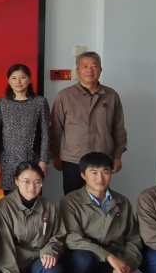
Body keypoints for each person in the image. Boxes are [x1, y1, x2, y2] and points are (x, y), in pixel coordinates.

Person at [59, 151, 144, 273]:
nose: (100, 178)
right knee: (83, 259)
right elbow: (72, 238)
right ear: (83, 175)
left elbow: (134, 238)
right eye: (94, 172)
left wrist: (128, 263)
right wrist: (108, 256)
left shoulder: (122, 202)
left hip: (110, 261)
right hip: (81, 258)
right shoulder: (71, 201)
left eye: (105, 172)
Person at [0, 161, 66, 273]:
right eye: (26, 181)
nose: (32, 187)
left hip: (37, 263)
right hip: (12, 264)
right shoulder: (4, 207)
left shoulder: (49, 207)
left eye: (37, 182)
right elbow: (4, 248)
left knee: (52, 268)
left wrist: (50, 250)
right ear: (16, 181)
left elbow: (59, 235)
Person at [49, 52, 127, 195]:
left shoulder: (111, 95)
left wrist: (117, 156)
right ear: (77, 71)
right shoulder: (65, 96)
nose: (89, 70)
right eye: (84, 66)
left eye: (94, 66)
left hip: (102, 159)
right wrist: (56, 155)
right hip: (73, 159)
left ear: (100, 70)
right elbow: (56, 128)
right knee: (72, 200)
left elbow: (118, 128)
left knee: (99, 198)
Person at [0, 63, 51, 194]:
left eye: (22, 77)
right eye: (14, 78)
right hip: (7, 160)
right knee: (9, 199)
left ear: (29, 79)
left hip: (32, 158)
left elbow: (46, 133)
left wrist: (43, 161)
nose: (18, 81)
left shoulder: (40, 102)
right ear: (8, 81)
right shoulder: (1, 103)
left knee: (32, 193)